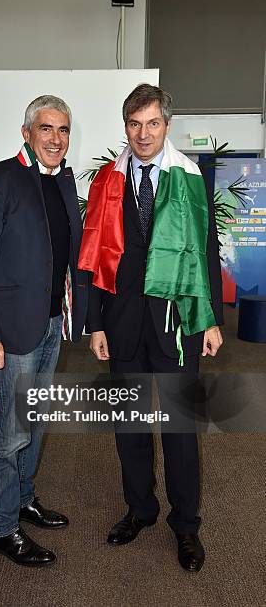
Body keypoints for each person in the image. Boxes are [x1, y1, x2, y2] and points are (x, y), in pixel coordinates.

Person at [78, 83, 223, 573]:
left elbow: (206, 251)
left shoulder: (189, 177)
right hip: (121, 326)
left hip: (176, 321)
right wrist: (94, 324)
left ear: (167, 125)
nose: (143, 133)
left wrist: (211, 321)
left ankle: (186, 525)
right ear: (126, 128)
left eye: (152, 123)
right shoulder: (106, 182)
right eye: (135, 124)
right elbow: (93, 257)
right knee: (130, 426)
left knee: (181, 426)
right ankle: (140, 508)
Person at [0, 95, 88, 567]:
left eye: (63, 130)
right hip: (11, 332)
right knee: (11, 429)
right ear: (27, 132)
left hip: (52, 322)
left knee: (34, 420)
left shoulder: (62, 182)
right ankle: (2, 527)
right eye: (47, 129)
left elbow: (65, 256)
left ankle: (23, 500)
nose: (56, 139)